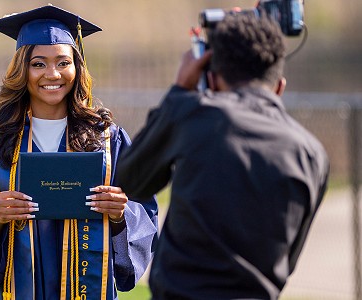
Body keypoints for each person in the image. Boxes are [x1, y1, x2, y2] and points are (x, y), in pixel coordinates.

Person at [0, 5, 158, 300]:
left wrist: (122, 213)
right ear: (22, 70)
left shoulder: (110, 142)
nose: (52, 74)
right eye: (38, 64)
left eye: (63, 62)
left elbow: (145, 211)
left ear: (77, 67)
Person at [115, 12, 329, 300]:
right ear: (280, 88)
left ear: (211, 80)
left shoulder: (193, 116)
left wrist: (180, 91)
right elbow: (288, 260)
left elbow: (130, 180)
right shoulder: (312, 154)